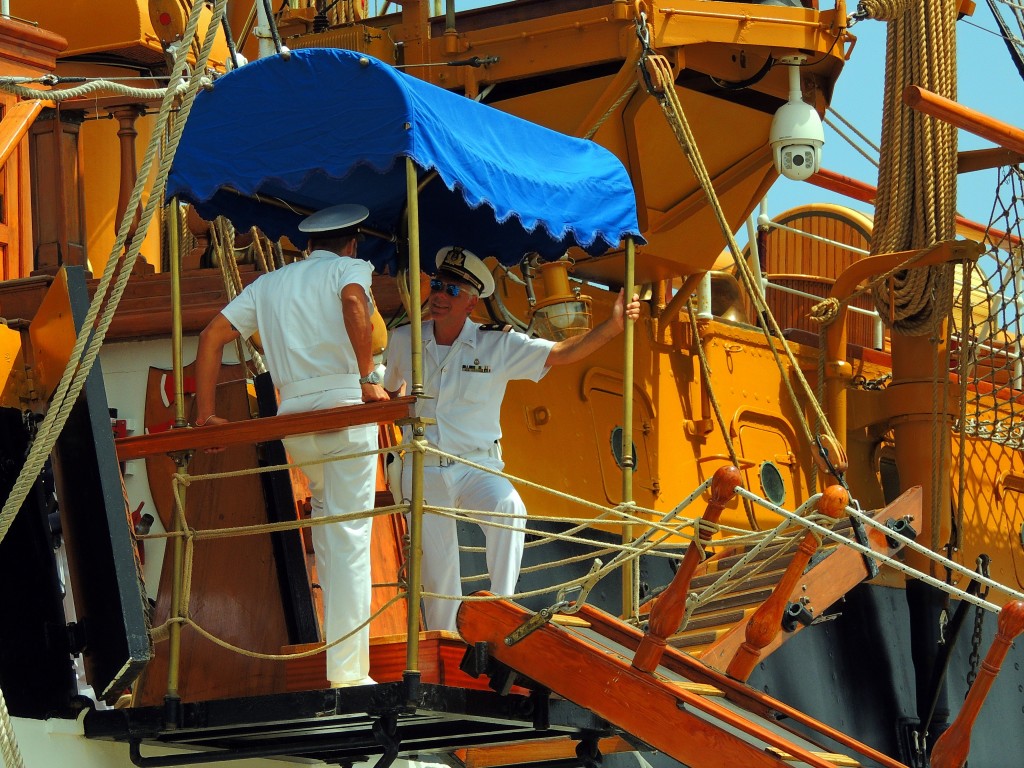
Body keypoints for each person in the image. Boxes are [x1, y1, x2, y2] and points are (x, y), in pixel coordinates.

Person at [382, 246, 641, 631]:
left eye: (451, 291)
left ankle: (499, 609)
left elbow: (560, 353)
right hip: (425, 468)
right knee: (440, 578)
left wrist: (613, 327)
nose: (438, 296)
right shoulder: (404, 339)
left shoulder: (495, 344)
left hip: (476, 466)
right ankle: (445, 645)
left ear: (471, 303)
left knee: (510, 510)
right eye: (436, 285)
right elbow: (388, 393)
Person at [193, 203, 388, 688]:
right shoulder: (350, 270)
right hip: (344, 410)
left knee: (330, 535)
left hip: (295, 420)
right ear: (351, 244)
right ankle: (349, 675)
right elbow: (353, 302)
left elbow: (211, 336)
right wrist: (368, 379)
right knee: (350, 541)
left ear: (306, 245)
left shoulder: (268, 284)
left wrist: (205, 415)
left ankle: (339, 664)